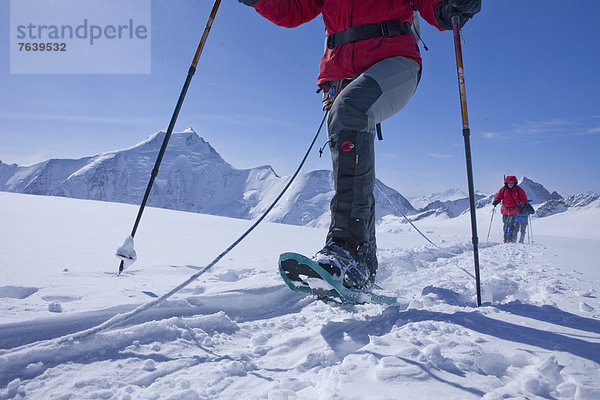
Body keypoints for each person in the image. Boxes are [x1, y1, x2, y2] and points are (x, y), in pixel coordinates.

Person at [238, 0, 481, 289]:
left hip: (395, 62)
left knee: (350, 111)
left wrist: (451, 5)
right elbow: (294, 9)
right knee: (349, 161)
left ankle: (345, 248)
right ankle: (361, 267)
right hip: (342, 77)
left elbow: (433, 5)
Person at [492, 176, 528, 244]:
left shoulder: (518, 189)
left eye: (512, 183)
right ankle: (505, 238)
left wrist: (525, 204)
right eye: (509, 183)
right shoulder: (503, 189)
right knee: (505, 224)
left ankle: (509, 239)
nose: (510, 184)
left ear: (514, 183)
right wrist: (496, 201)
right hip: (505, 209)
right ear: (507, 183)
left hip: (514, 209)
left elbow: (523, 197)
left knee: (511, 224)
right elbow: (498, 196)